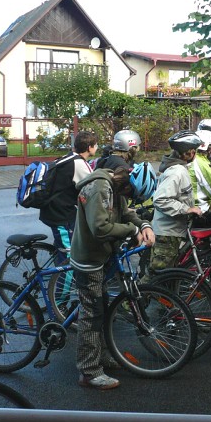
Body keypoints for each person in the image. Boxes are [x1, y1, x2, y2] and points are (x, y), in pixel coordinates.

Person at [70, 162, 157, 390]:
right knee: (91, 314)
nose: (129, 200)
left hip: (103, 256)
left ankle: (101, 356)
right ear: (126, 185)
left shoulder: (114, 186)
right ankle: (89, 372)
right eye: (131, 195)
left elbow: (127, 213)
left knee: (103, 308)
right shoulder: (100, 188)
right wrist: (132, 230)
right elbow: (99, 228)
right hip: (89, 259)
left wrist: (144, 225)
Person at [39, 130, 98, 265]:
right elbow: (94, 188)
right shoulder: (79, 164)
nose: (97, 147)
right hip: (61, 216)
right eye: (95, 145)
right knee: (70, 258)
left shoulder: (68, 157)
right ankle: (61, 279)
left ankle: (55, 274)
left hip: (53, 211)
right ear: (89, 147)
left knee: (62, 249)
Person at [150, 130, 204, 272]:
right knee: (158, 276)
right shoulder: (176, 172)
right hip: (167, 233)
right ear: (189, 153)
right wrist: (187, 209)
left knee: (169, 275)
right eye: (195, 151)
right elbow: (161, 199)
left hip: (173, 231)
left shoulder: (180, 169)